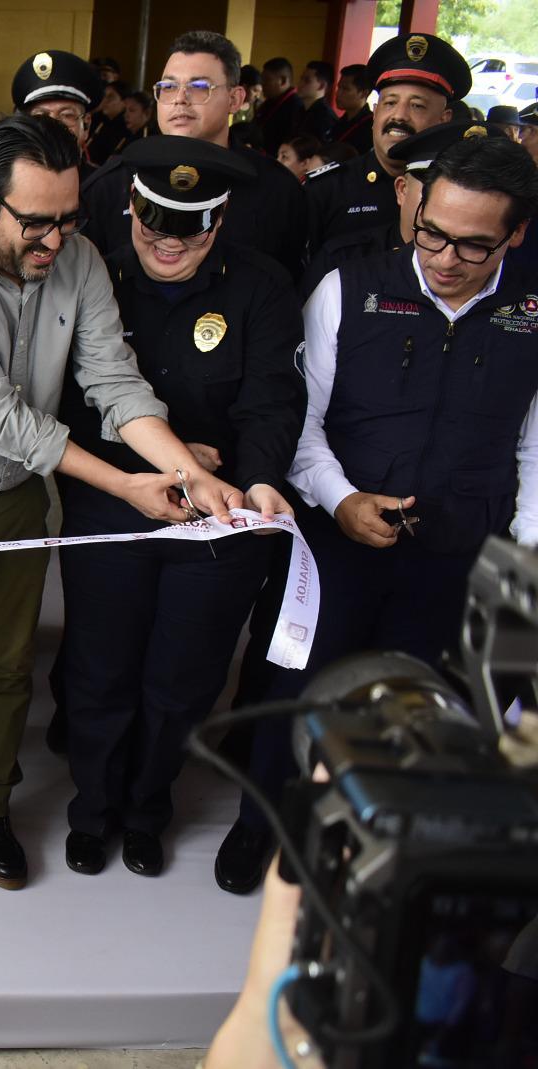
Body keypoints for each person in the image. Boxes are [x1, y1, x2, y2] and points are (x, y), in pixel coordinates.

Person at [0, 114, 244, 892]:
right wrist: (131, 484)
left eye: (67, 219)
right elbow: (3, 418)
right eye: (36, 223)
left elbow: (114, 379)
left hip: (19, 504)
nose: (55, 241)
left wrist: (182, 471)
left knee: (5, 673)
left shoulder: (82, 258)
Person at [220, 134, 538, 894]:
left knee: (407, 709)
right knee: (296, 685)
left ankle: (350, 840)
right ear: (416, 207)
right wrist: (342, 499)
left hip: (461, 549)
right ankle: (257, 823)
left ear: (516, 235)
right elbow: (300, 424)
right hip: (338, 542)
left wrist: (521, 558)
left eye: (474, 245)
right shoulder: (346, 287)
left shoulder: (531, 313)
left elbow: (534, 449)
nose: (446, 256)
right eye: (433, 231)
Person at [57, 136, 304, 879]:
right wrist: (177, 453)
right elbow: (65, 393)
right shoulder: (89, 272)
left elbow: (271, 405)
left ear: (220, 218)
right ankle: (91, 809)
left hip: (217, 518)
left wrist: (255, 481)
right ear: (130, 206)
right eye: (153, 222)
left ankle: (146, 808)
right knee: (100, 670)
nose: (168, 242)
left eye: (189, 227)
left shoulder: (262, 288)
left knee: (181, 679)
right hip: (113, 501)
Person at [82, 32, 307, 280]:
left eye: (199, 87)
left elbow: (286, 287)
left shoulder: (276, 190)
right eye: (168, 87)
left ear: (235, 99)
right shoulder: (112, 185)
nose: (180, 99)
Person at [304, 34, 470, 258]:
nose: (399, 116)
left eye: (417, 106)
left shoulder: (461, 193)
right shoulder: (328, 190)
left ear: (444, 118)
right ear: (375, 112)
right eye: (390, 103)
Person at [299, 122, 487, 300]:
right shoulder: (343, 262)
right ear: (402, 190)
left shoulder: (504, 269)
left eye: (469, 192)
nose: (449, 201)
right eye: (432, 186)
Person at [10, 50, 107, 177]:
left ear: (86, 125)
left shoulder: (105, 187)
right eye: (41, 116)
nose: (53, 125)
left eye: (67, 115)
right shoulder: (6, 182)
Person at [254, 56, 303, 152]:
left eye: (267, 80)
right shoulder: (269, 101)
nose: (262, 84)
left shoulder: (295, 107)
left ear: (283, 81)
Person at [330, 64, 374, 153]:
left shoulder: (371, 128)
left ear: (363, 93)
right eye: (339, 87)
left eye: (345, 89)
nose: (338, 93)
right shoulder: (340, 122)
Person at [87, 80, 132, 165]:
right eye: (104, 96)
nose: (104, 101)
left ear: (124, 102)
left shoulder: (127, 128)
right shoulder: (100, 121)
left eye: (110, 97)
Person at [294, 60, 338, 142]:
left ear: (321, 86)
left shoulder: (326, 118)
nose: (300, 83)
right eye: (301, 78)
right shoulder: (300, 110)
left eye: (307, 80)